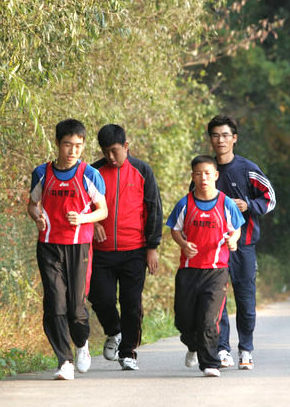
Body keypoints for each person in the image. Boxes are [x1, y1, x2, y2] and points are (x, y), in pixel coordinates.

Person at [27, 119, 108, 380]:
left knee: (75, 307)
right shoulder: (42, 173)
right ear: (58, 144)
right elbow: (33, 204)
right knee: (54, 302)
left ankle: (82, 344)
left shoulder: (89, 175)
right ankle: (64, 360)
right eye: (67, 145)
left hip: (79, 246)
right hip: (49, 245)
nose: (73, 151)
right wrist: (37, 217)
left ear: (83, 146)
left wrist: (83, 219)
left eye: (78, 146)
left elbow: (102, 211)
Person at [88, 124, 163, 371]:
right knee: (100, 297)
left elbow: (154, 209)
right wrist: (94, 222)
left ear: (126, 146)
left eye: (115, 151)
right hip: (101, 251)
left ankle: (128, 350)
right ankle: (114, 331)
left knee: (131, 302)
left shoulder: (142, 171)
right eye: (105, 152)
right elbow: (82, 204)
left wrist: (152, 247)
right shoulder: (93, 172)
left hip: (135, 250)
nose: (110, 157)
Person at [207, 115, 276, 370]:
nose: (220, 140)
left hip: (244, 246)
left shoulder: (247, 169)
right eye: (215, 135)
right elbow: (194, 203)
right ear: (210, 140)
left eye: (225, 135)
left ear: (234, 139)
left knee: (246, 302)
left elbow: (270, 198)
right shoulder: (206, 170)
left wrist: (249, 205)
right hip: (214, 248)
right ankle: (222, 349)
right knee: (217, 300)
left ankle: (246, 349)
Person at [167, 155, 245, 377]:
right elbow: (174, 228)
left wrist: (233, 239)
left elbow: (236, 227)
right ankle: (192, 344)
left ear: (216, 176)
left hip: (216, 271)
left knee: (209, 320)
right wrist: (183, 243)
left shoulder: (226, 204)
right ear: (193, 176)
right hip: (189, 270)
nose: (203, 178)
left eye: (208, 173)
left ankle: (210, 363)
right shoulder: (185, 204)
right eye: (199, 173)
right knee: (183, 319)